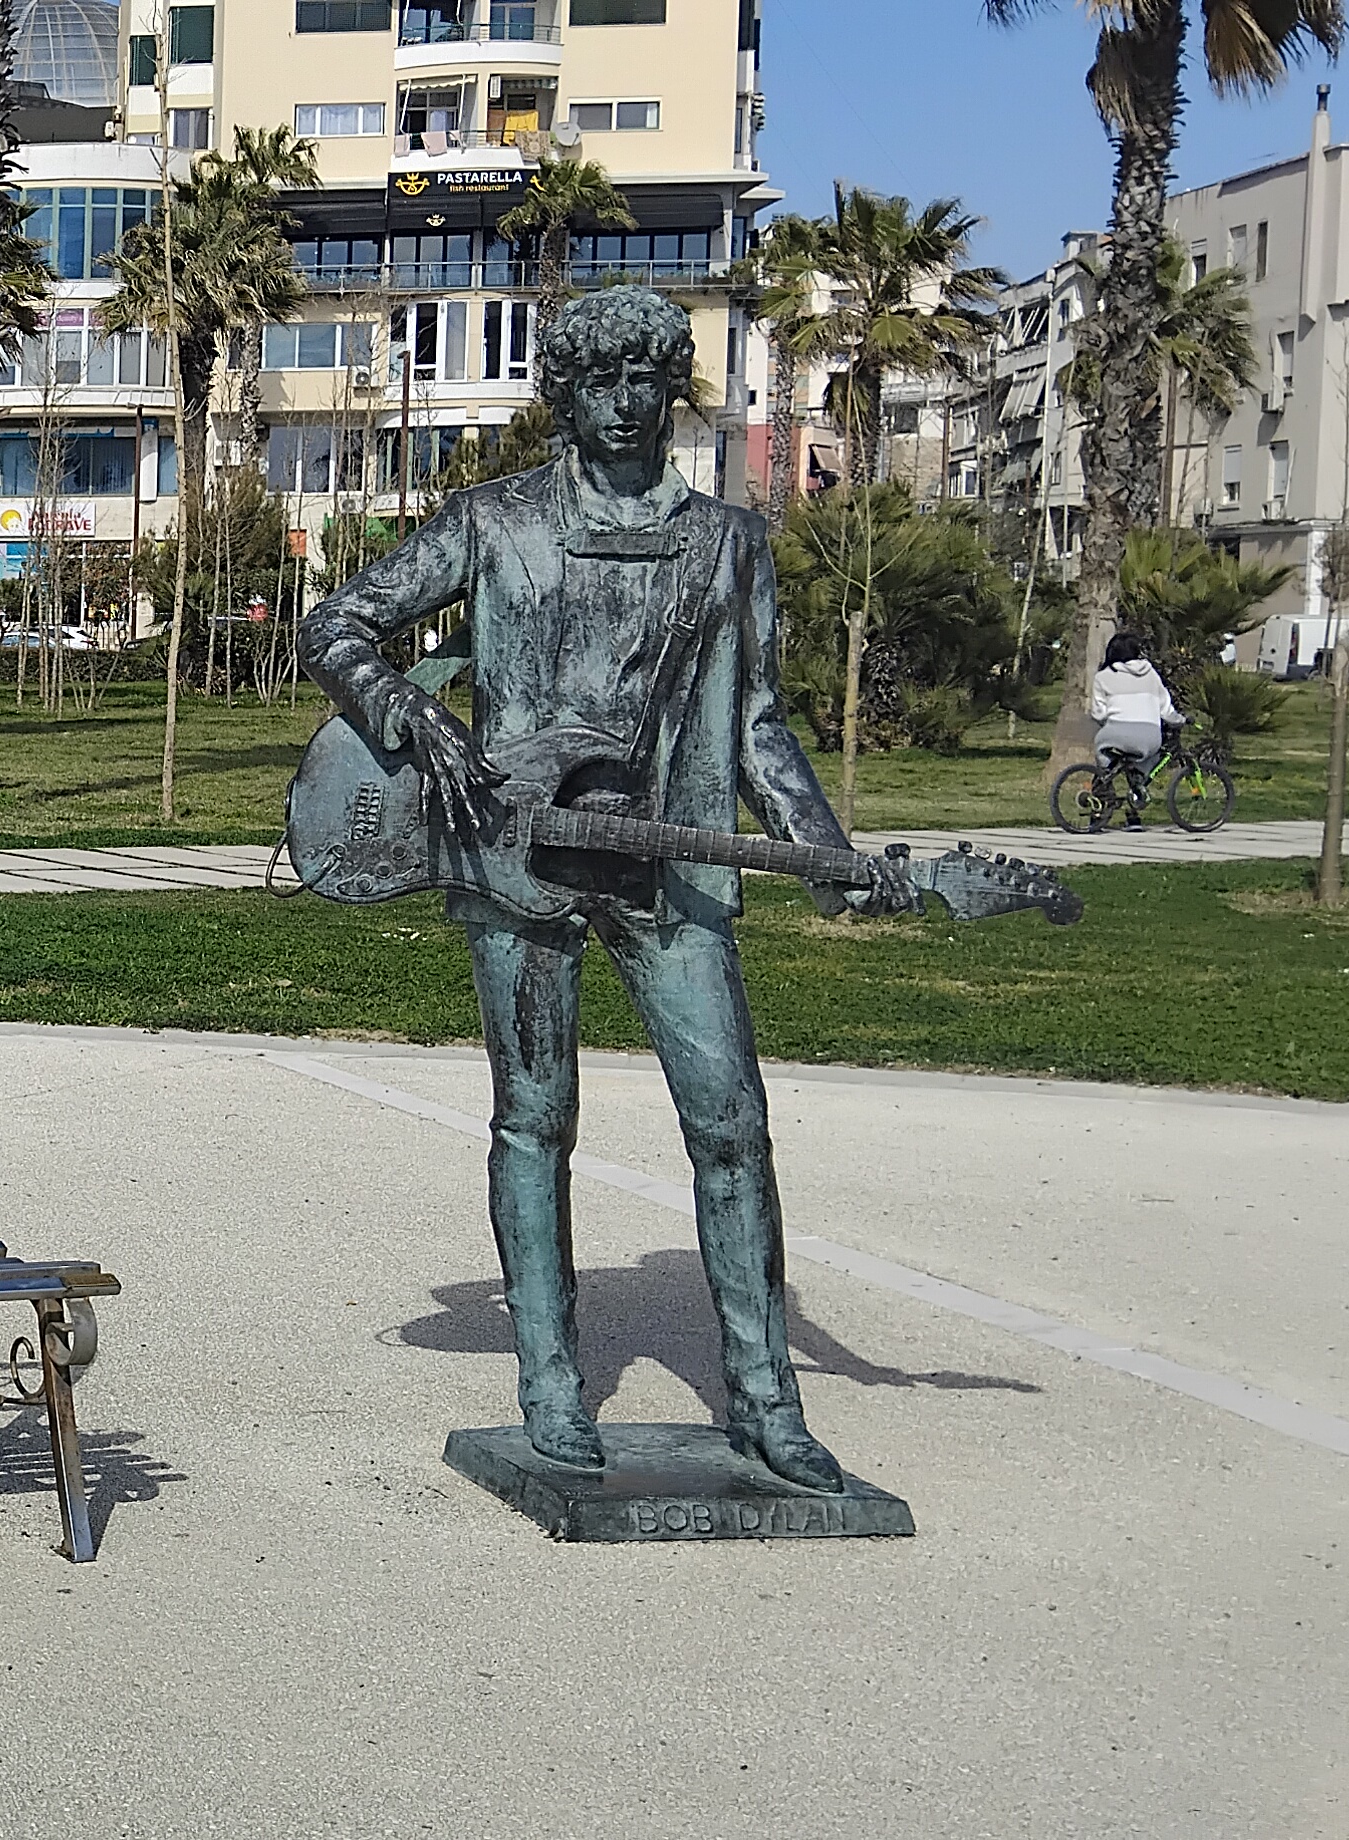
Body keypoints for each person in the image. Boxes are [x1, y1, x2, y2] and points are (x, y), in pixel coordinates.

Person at [299, 287, 912, 1499]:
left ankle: (765, 1399)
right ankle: (549, 1377)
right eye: (599, 383)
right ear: (565, 397)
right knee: (534, 1116)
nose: (626, 404)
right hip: (516, 857)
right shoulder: (492, 521)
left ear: (670, 390)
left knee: (731, 1124)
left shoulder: (729, 542)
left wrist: (826, 856)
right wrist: (410, 712)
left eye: (645, 380)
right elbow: (338, 625)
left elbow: (756, 724)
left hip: (668, 863)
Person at [1091, 631, 1185, 827]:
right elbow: (1166, 709)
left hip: (1115, 733)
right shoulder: (1151, 674)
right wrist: (1180, 720)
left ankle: (1098, 811)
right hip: (1149, 735)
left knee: (1105, 767)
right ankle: (1133, 812)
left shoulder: (1103, 677)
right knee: (1141, 763)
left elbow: (1098, 714)